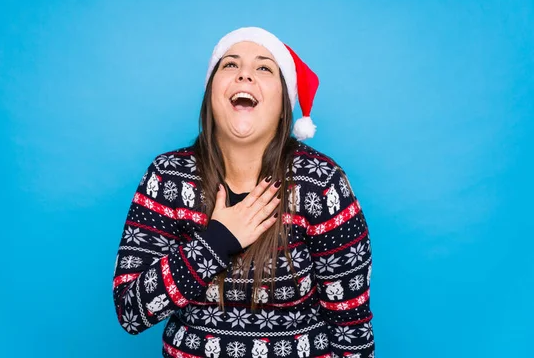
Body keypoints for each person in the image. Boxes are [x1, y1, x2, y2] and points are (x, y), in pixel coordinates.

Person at [112, 27, 375, 358]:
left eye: (264, 68)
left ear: (284, 104)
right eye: (230, 65)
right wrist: (216, 241)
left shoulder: (322, 184)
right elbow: (130, 312)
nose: (245, 75)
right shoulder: (167, 178)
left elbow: (351, 328)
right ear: (212, 94)